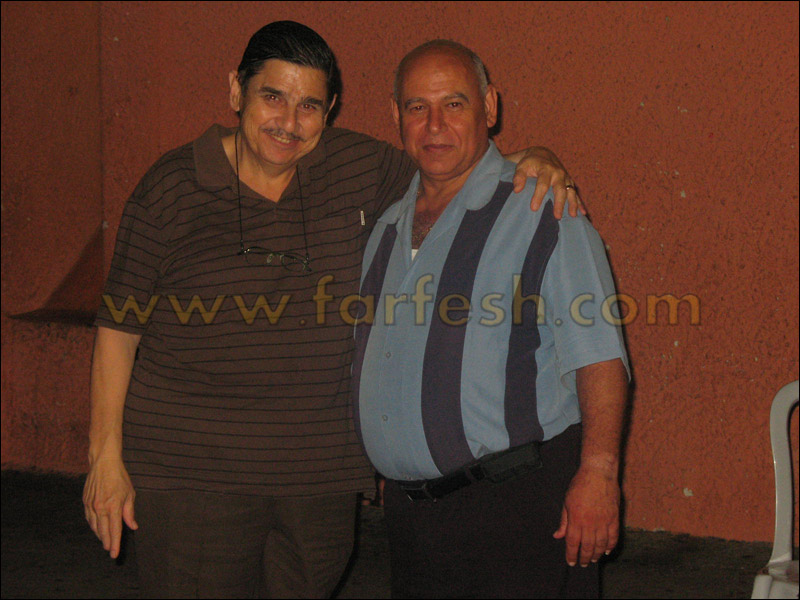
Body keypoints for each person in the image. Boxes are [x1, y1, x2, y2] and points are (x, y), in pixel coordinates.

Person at [81, 21, 582, 599]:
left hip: (318, 484)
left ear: (331, 110)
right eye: (273, 97)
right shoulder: (172, 186)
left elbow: (453, 167)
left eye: (309, 106)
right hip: (193, 479)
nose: (289, 122)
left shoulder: (359, 169)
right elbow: (118, 326)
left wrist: (531, 159)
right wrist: (104, 457)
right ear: (236, 90)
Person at [353, 40, 630, 598]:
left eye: (454, 104)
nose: (434, 125)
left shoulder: (545, 210)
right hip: (413, 520)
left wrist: (599, 474)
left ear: (490, 107)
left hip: (518, 510)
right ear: (395, 115)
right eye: (417, 107)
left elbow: (599, 357)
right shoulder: (386, 229)